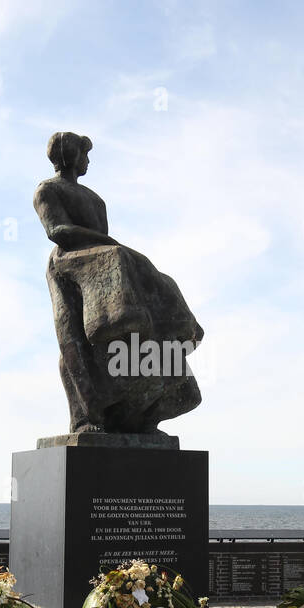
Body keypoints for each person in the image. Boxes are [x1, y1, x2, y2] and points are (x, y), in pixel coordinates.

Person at [34, 132, 203, 435]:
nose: (88, 161)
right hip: (68, 262)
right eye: (84, 155)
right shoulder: (46, 190)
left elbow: (103, 237)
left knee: (154, 277)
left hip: (102, 257)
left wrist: (113, 248)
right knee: (74, 342)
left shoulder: (96, 199)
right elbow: (58, 231)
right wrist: (112, 247)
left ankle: (137, 405)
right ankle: (85, 417)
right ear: (72, 156)